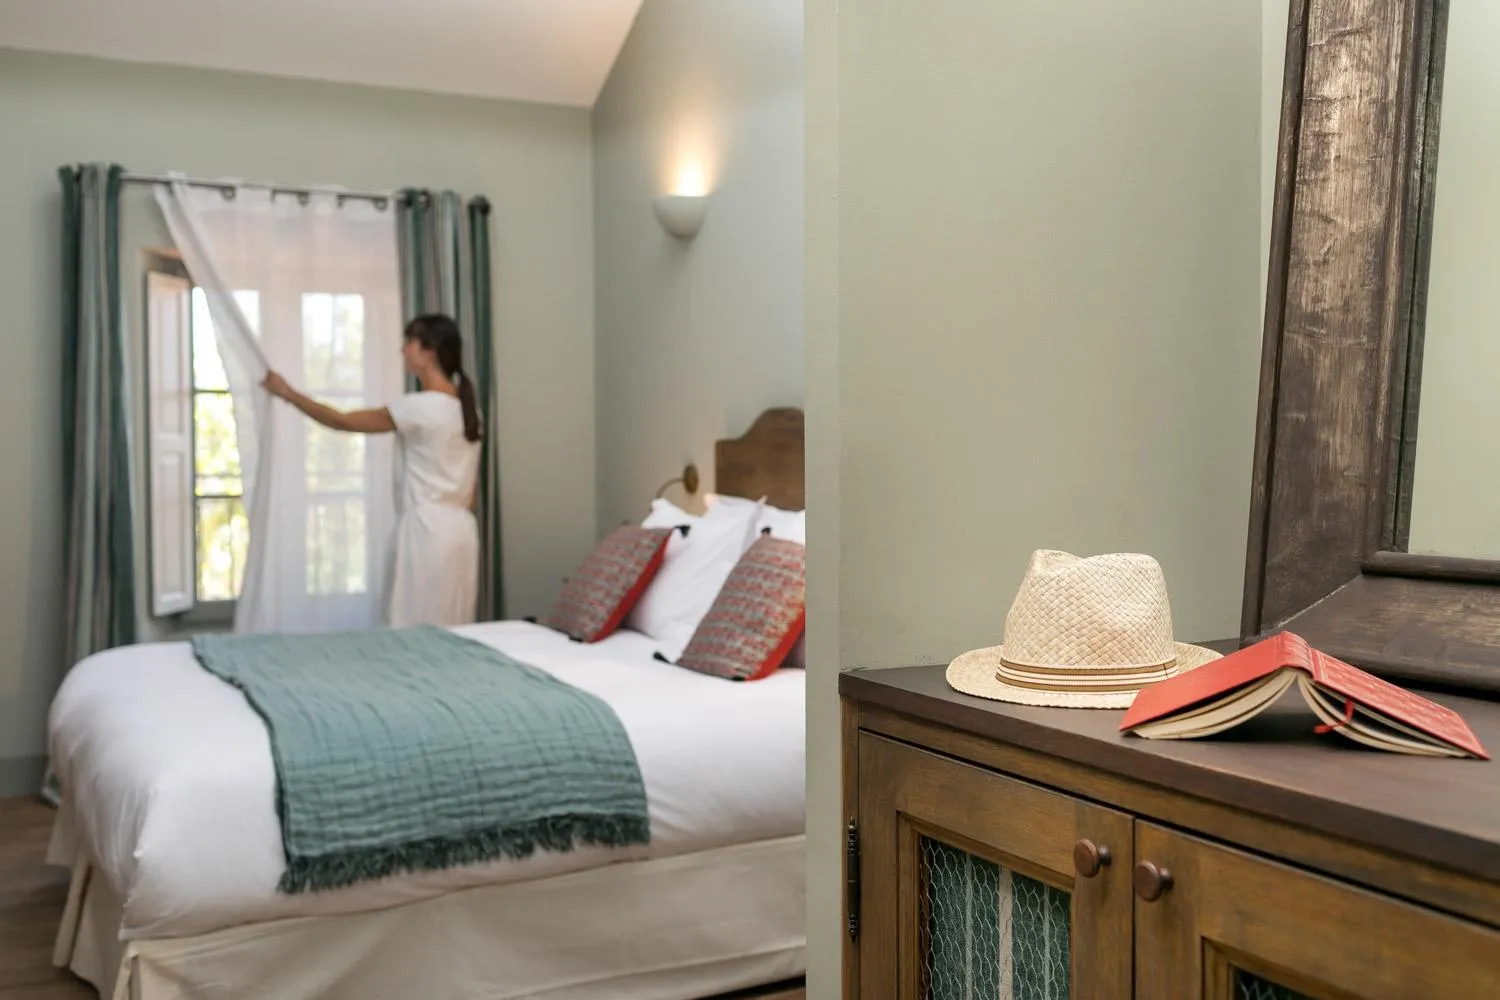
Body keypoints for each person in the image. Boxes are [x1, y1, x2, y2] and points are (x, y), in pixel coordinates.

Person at [261, 314, 483, 628]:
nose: (403, 350)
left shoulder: (420, 407)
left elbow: (343, 421)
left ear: (428, 352)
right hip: (461, 532)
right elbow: (471, 494)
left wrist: (288, 393)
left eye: (409, 343)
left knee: (415, 625)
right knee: (452, 624)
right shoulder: (470, 411)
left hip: (427, 532)